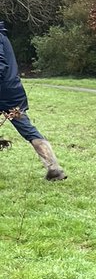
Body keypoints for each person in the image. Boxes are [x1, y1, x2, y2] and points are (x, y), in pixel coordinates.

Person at [0, 20, 67, 180]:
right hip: (12, 90)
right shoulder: (2, 36)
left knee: (25, 127)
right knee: (26, 127)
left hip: (4, 89)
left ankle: (54, 168)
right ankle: (53, 167)